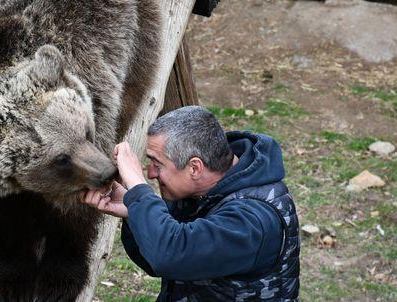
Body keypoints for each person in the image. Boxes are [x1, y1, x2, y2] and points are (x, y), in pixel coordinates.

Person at [82, 106, 300, 301]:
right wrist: (133, 209)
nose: (150, 173)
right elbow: (157, 261)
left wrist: (138, 189)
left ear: (195, 167)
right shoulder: (207, 192)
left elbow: (170, 255)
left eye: (157, 163)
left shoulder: (251, 221)